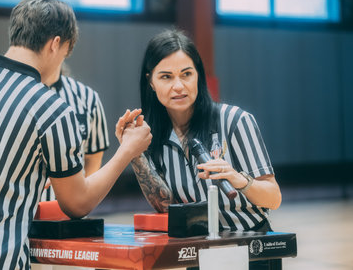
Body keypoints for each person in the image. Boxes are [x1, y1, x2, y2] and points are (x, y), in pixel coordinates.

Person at [0, 0, 151, 270]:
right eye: (65, 54)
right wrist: (127, 150)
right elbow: (78, 203)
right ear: (55, 44)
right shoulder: (52, 109)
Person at [116, 29, 281, 269]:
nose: (178, 86)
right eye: (166, 77)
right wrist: (134, 153)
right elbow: (166, 206)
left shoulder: (235, 120)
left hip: (250, 248)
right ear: (150, 81)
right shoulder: (153, 136)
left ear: (198, 76)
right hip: (198, 251)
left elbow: (274, 197)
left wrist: (236, 178)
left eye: (186, 74)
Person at [41, 63, 110, 201]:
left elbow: (93, 157)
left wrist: (79, 199)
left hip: (67, 213)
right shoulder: (13, 92)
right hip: (21, 213)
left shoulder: (88, 98)